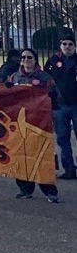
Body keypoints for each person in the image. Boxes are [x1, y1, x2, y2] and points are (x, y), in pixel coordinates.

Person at [6, 49, 61, 203]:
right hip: (20, 122)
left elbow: (55, 97)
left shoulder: (44, 78)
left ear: (35, 60)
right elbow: (3, 94)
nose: (25, 60)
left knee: (42, 156)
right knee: (21, 155)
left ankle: (50, 191)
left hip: (39, 124)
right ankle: (25, 188)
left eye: (29, 57)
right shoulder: (14, 77)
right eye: (23, 57)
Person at [43, 34, 77, 180]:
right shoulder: (53, 60)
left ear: (75, 47)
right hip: (59, 105)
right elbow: (45, 78)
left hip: (76, 104)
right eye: (65, 44)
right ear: (61, 46)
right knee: (63, 139)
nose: (67, 47)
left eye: (70, 44)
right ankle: (69, 169)